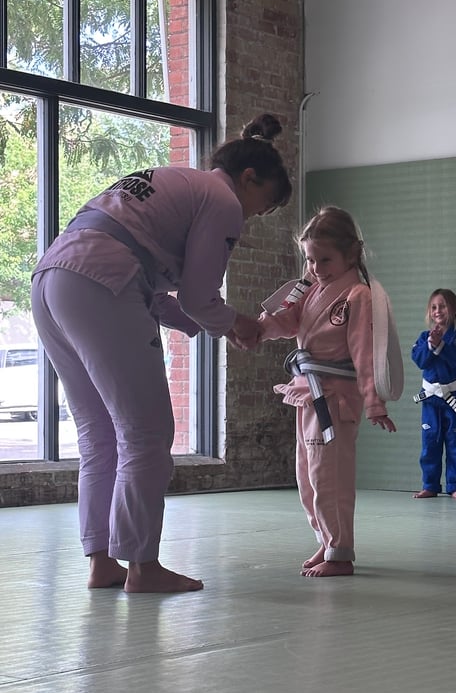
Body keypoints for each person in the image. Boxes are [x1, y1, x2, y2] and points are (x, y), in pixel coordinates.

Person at [30, 113, 292, 593]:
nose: (256, 216)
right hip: (102, 282)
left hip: (52, 281)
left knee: (99, 434)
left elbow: (152, 291)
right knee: (147, 434)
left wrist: (210, 324)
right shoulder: (223, 200)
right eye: (265, 204)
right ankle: (142, 566)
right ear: (249, 178)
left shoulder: (178, 181)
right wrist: (236, 322)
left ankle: (103, 562)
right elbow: (197, 296)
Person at [256, 206, 401, 577]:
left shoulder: (357, 295)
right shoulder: (310, 288)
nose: (316, 268)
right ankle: (327, 541)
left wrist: (375, 403)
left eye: (325, 260)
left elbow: (365, 354)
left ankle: (341, 553)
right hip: (307, 392)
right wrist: (260, 327)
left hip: (336, 399)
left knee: (329, 477)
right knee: (307, 476)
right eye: (310, 259)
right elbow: (288, 322)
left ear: (351, 254)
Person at [412, 289, 456, 500]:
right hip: (430, 399)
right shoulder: (424, 337)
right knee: (430, 442)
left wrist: (442, 346)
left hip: (455, 397)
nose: (438, 311)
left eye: (443, 306)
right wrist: (431, 345)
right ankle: (430, 485)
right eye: (434, 307)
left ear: (454, 310)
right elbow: (420, 361)